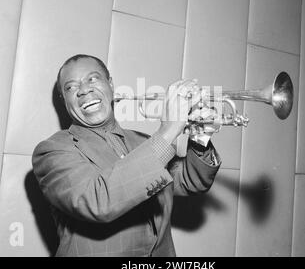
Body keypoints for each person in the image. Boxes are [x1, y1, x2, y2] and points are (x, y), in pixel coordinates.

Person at [32, 54, 221, 257]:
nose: (84, 90)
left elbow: (190, 182)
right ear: (64, 100)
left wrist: (200, 140)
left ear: (111, 85)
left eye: (93, 78)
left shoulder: (144, 142)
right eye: (70, 87)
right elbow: (97, 201)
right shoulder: (51, 151)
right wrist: (169, 129)